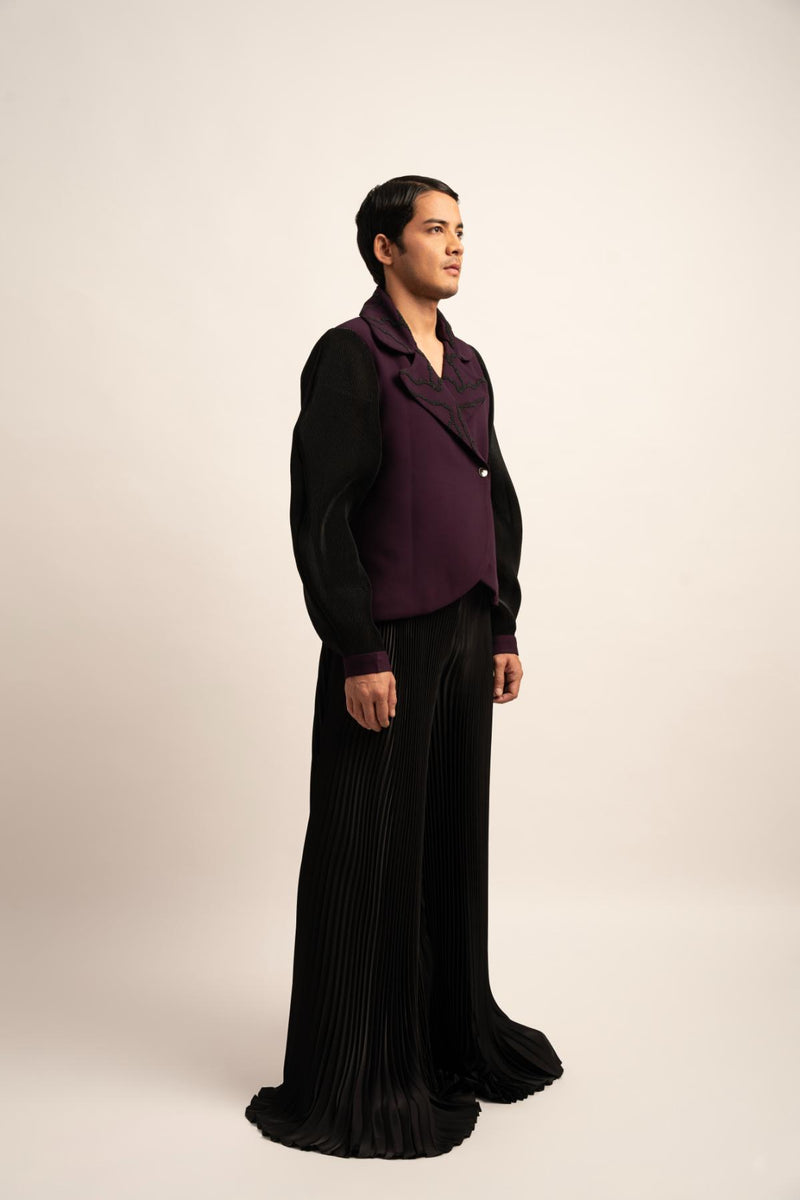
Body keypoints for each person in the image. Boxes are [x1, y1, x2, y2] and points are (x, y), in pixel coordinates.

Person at [244, 175, 564, 1158]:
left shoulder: (466, 363)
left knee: (447, 841)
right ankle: (358, 1071)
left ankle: (446, 1040)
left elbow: (495, 495)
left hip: (465, 626)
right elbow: (323, 515)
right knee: (367, 847)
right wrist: (358, 647)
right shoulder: (349, 356)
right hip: (387, 639)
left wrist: (502, 624)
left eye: (460, 229)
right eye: (435, 229)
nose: (456, 244)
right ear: (385, 248)